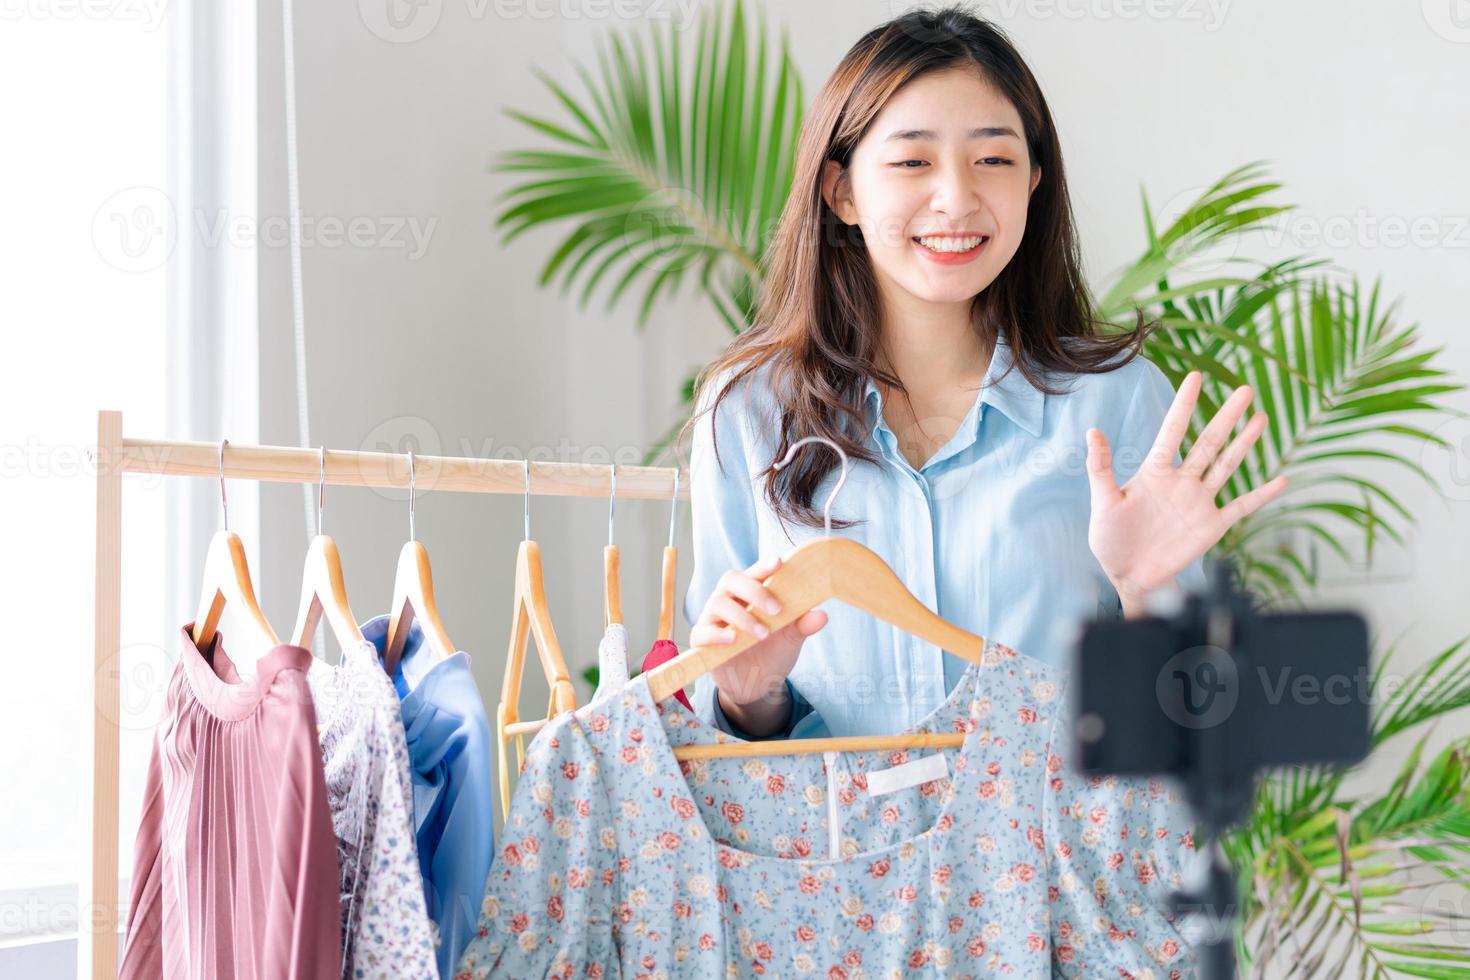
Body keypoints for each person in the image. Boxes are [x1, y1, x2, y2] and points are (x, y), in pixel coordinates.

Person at [679, 6, 1286, 741]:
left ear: (1034, 178)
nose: (957, 198)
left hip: (1057, 853)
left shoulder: (1116, 401)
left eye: (993, 159)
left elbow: (1197, 727)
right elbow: (727, 732)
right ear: (841, 192)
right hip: (832, 855)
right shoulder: (748, 409)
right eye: (912, 161)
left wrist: (1144, 594)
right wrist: (747, 694)